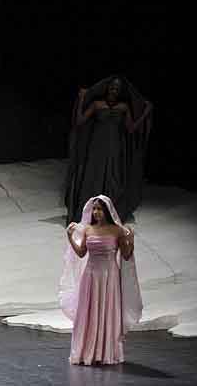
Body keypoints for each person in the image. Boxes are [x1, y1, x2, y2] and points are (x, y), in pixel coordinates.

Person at [60, 195, 142, 365]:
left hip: (109, 277)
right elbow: (82, 252)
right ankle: (86, 352)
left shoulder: (117, 231)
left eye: (100, 209)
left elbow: (126, 256)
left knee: (106, 311)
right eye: (95, 209)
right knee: (88, 313)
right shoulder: (88, 229)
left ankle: (104, 352)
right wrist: (70, 237)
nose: (96, 212)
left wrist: (131, 241)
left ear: (107, 211)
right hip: (90, 276)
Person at [64, 76, 152, 223]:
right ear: (107, 88)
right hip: (97, 147)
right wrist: (82, 99)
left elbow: (131, 129)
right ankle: (89, 214)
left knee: (114, 180)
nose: (114, 91)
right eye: (112, 87)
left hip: (114, 149)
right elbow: (80, 121)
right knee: (93, 179)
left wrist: (145, 113)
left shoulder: (123, 107)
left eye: (117, 89)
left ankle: (109, 215)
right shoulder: (97, 105)